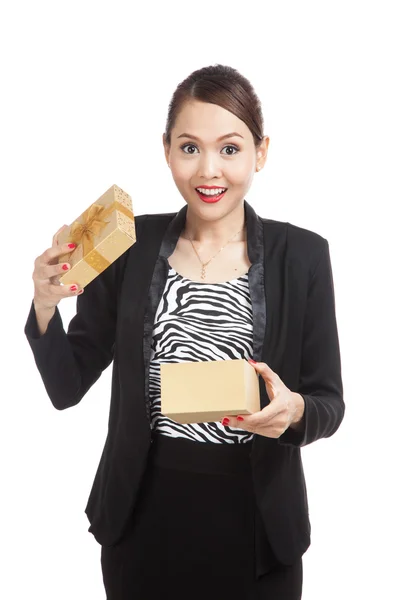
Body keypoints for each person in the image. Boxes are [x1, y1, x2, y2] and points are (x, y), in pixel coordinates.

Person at [24, 64, 345, 599]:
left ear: (261, 152)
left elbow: (328, 402)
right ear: (167, 149)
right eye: (190, 148)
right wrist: (43, 304)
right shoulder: (129, 245)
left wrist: (297, 413)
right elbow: (65, 385)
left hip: (258, 526)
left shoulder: (304, 255)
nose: (208, 170)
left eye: (231, 148)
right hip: (143, 520)